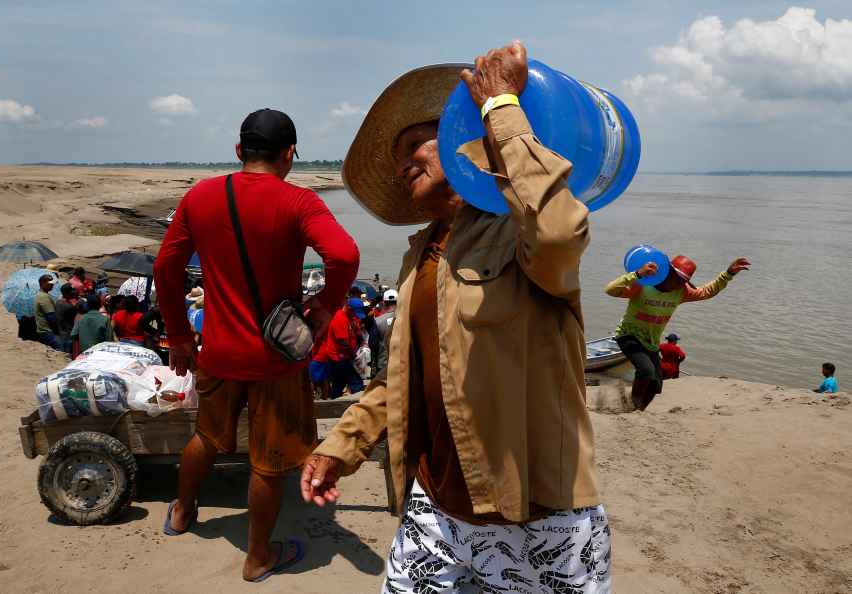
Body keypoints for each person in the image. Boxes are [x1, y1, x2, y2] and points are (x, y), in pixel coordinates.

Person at [301, 43, 611, 593]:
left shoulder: (520, 236)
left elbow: (561, 229)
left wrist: (501, 112)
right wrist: (342, 445)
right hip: (435, 509)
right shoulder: (421, 253)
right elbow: (405, 376)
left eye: (410, 146)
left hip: (538, 520)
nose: (400, 167)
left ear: (456, 135)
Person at [153, 107, 359, 583]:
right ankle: (258, 557)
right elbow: (345, 254)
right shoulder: (299, 202)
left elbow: (166, 268)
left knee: (206, 436)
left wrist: (180, 336)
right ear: (289, 155)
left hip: (218, 353)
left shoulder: (202, 195)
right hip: (275, 359)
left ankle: (184, 511)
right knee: (268, 462)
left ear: (239, 151)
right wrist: (326, 305)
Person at [606, 255, 751, 411]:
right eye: (676, 278)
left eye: (683, 281)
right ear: (667, 273)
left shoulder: (681, 292)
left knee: (656, 383)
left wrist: (728, 273)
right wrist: (637, 274)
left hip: (651, 342)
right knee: (646, 371)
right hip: (629, 335)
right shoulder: (642, 286)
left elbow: (707, 292)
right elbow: (611, 290)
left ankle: (639, 410)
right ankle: (631, 408)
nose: (678, 283)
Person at [315, 298, 367, 398]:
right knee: (356, 383)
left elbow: (356, 331)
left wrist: (360, 340)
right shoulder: (340, 318)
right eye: (354, 313)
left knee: (339, 384)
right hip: (338, 358)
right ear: (349, 308)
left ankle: (333, 403)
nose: (355, 316)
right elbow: (343, 343)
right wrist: (354, 355)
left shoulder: (349, 317)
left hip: (343, 357)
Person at [34, 274, 63, 351]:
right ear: (43, 283)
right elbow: (51, 317)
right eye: (49, 283)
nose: (52, 285)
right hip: (48, 331)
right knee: (60, 349)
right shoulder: (44, 297)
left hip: (44, 330)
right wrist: (58, 330)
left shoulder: (42, 295)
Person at [373, 289, 397, 373]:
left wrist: (374, 364)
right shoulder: (406, 319)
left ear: (384, 303)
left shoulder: (377, 321)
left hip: (383, 363)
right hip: (402, 362)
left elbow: (373, 344)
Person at [55, 283, 79, 352]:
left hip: (62, 332)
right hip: (67, 334)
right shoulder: (68, 306)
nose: (73, 293)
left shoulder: (58, 302)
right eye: (71, 291)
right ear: (66, 293)